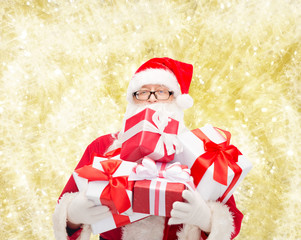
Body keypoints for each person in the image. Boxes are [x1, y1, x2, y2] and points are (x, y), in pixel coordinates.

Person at [52, 57, 244, 240]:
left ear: (176, 99)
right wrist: (73, 216)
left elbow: (231, 222)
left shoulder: (199, 152)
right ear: (132, 100)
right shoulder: (103, 146)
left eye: (161, 91)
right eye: (143, 92)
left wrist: (206, 219)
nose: (152, 99)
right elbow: (64, 208)